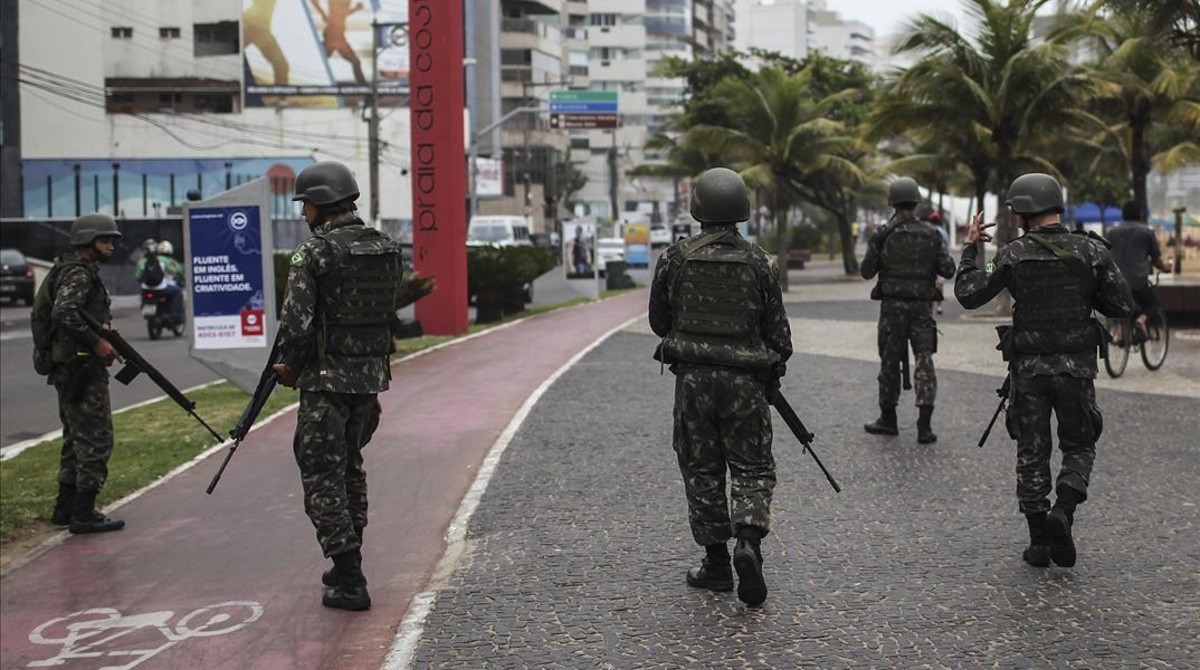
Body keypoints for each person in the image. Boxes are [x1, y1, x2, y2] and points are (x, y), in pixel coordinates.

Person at [955, 172, 1132, 568]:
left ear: (1021, 212)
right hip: (1076, 369)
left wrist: (970, 248)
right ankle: (1064, 512)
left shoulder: (1012, 254)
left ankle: (1038, 542)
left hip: (1029, 371)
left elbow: (968, 294)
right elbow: (1121, 303)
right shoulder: (1091, 251)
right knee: (1080, 444)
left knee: (1031, 451)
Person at [648, 167, 792, 607]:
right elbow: (780, 340)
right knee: (751, 468)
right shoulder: (760, 262)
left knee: (702, 469)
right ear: (742, 212)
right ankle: (748, 543)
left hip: (693, 385)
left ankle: (715, 564)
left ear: (698, 211)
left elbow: (659, 322)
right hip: (746, 386)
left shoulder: (675, 259)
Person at [272, 161, 406, 611]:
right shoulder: (386, 248)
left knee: (320, 471)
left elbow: (296, 326)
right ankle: (349, 557)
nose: (303, 212)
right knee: (350, 466)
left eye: (305, 203)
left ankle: (349, 577)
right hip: (368, 382)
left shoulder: (314, 254)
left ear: (321, 203)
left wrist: (290, 367)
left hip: (326, 382)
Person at [38, 214, 126, 534]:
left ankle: (65, 508)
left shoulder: (69, 269)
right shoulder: (78, 273)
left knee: (75, 439)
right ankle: (84, 513)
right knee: (96, 439)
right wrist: (97, 342)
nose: (111, 246)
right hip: (82, 366)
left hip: (70, 365)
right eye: (105, 241)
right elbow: (64, 312)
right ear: (88, 243)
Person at [860, 178, 956, 444]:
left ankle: (888, 420)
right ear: (915, 202)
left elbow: (866, 271)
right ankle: (924, 427)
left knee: (889, 364)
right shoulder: (932, 234)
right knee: (925, 361)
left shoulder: (882, 233)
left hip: (892, 309)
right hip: (922, 310)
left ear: (892, 202)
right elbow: (948, 270)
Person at [1106, 201, 1173, 341]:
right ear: (1140, 215)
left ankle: (1120, 330)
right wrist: (1166, 268)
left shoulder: (1111, 233)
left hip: (1116, 281)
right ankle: (1141, 320)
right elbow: (1156, 259)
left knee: (1122, 305)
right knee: (1153, 304)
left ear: (1123, 216)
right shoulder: (1146, 232)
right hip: (1138, 281)